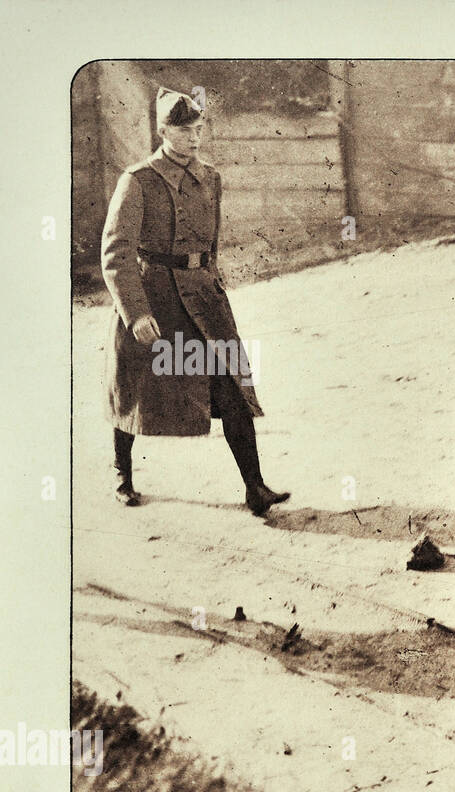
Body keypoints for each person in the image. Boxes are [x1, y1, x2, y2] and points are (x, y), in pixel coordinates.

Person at [100, 86, 288, 515]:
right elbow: (115, 251)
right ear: (164, 131)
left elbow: (212, 243)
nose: (193, 138)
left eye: (198, 129)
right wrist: (135, 312)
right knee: (133, 387)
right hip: (154, 299)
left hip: (203, 299)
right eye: (184, 131)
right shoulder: (138, 180)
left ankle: (255, 487)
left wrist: (212, 281)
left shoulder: (211, 177)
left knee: (233, 386)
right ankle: (122, 476)